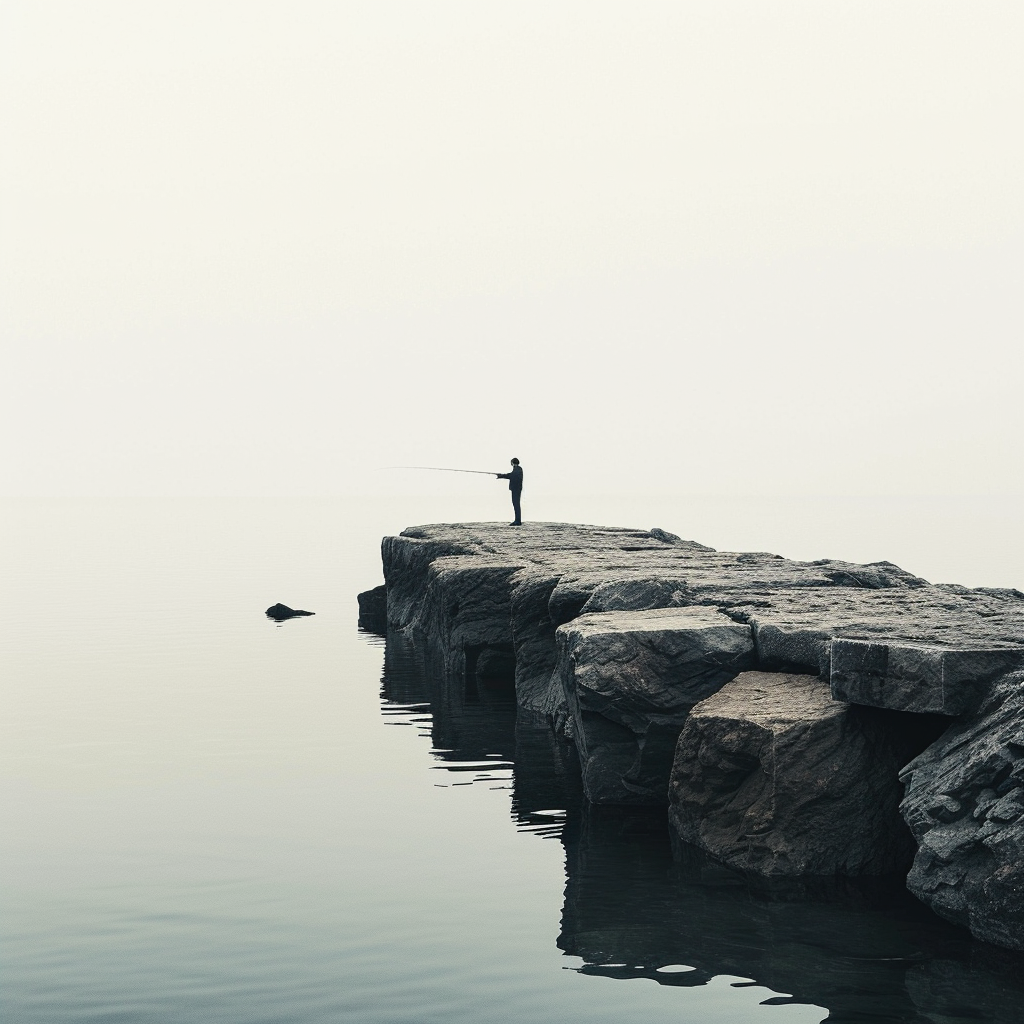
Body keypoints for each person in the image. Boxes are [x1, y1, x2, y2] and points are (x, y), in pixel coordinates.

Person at [495, 458, 523, 526]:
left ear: (512, 463)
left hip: (516, 489)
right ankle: (517, 520)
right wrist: (501, 475)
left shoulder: (517, 469)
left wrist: (501, 476)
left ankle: (517, 521)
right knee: (516, 504)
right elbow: (511, 475)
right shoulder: (518, 469)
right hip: (516, 489)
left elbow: (511, 476)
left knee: (516, 504)